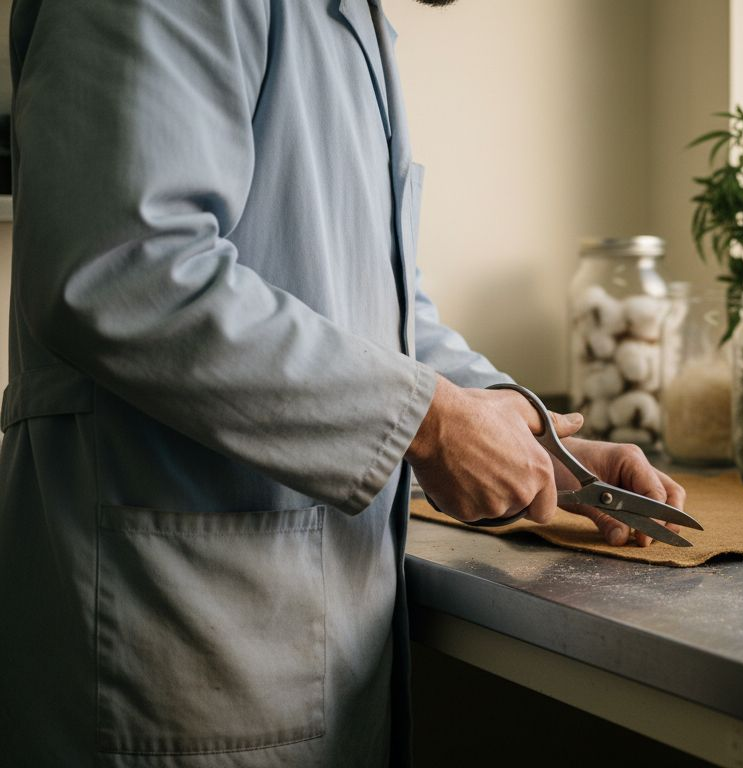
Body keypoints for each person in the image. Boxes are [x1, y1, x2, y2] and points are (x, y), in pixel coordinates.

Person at [0, 1, 685, 765]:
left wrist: (542, 447)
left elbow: (372, 311)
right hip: (174, 643)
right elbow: (122, 269)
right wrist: (429, 421)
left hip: (288, 646)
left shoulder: (353, 22)